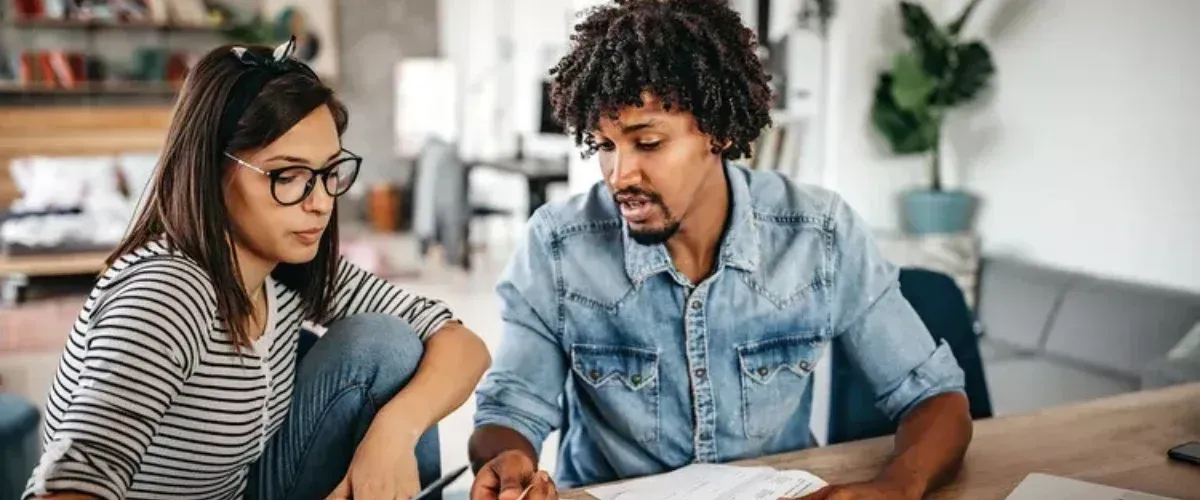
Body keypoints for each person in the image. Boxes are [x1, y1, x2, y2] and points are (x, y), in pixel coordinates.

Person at [467, 1, 973, 499]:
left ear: (720, 134)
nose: (620, 176)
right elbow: (509, 413)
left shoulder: (818, 234)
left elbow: (934, 398)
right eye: (605, 145)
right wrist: (510, 463)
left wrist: (896, 488)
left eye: (648, 143)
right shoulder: (557, 245)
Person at [24, 38, 491, 500]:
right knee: (381, 344)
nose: (320, 202)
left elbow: (463, 344)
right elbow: (71, 484)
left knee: (387, 343)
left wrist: (394, 433)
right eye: (287, 176)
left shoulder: (288, 267)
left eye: (330, 172)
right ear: (211, 169)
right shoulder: (165, 294)